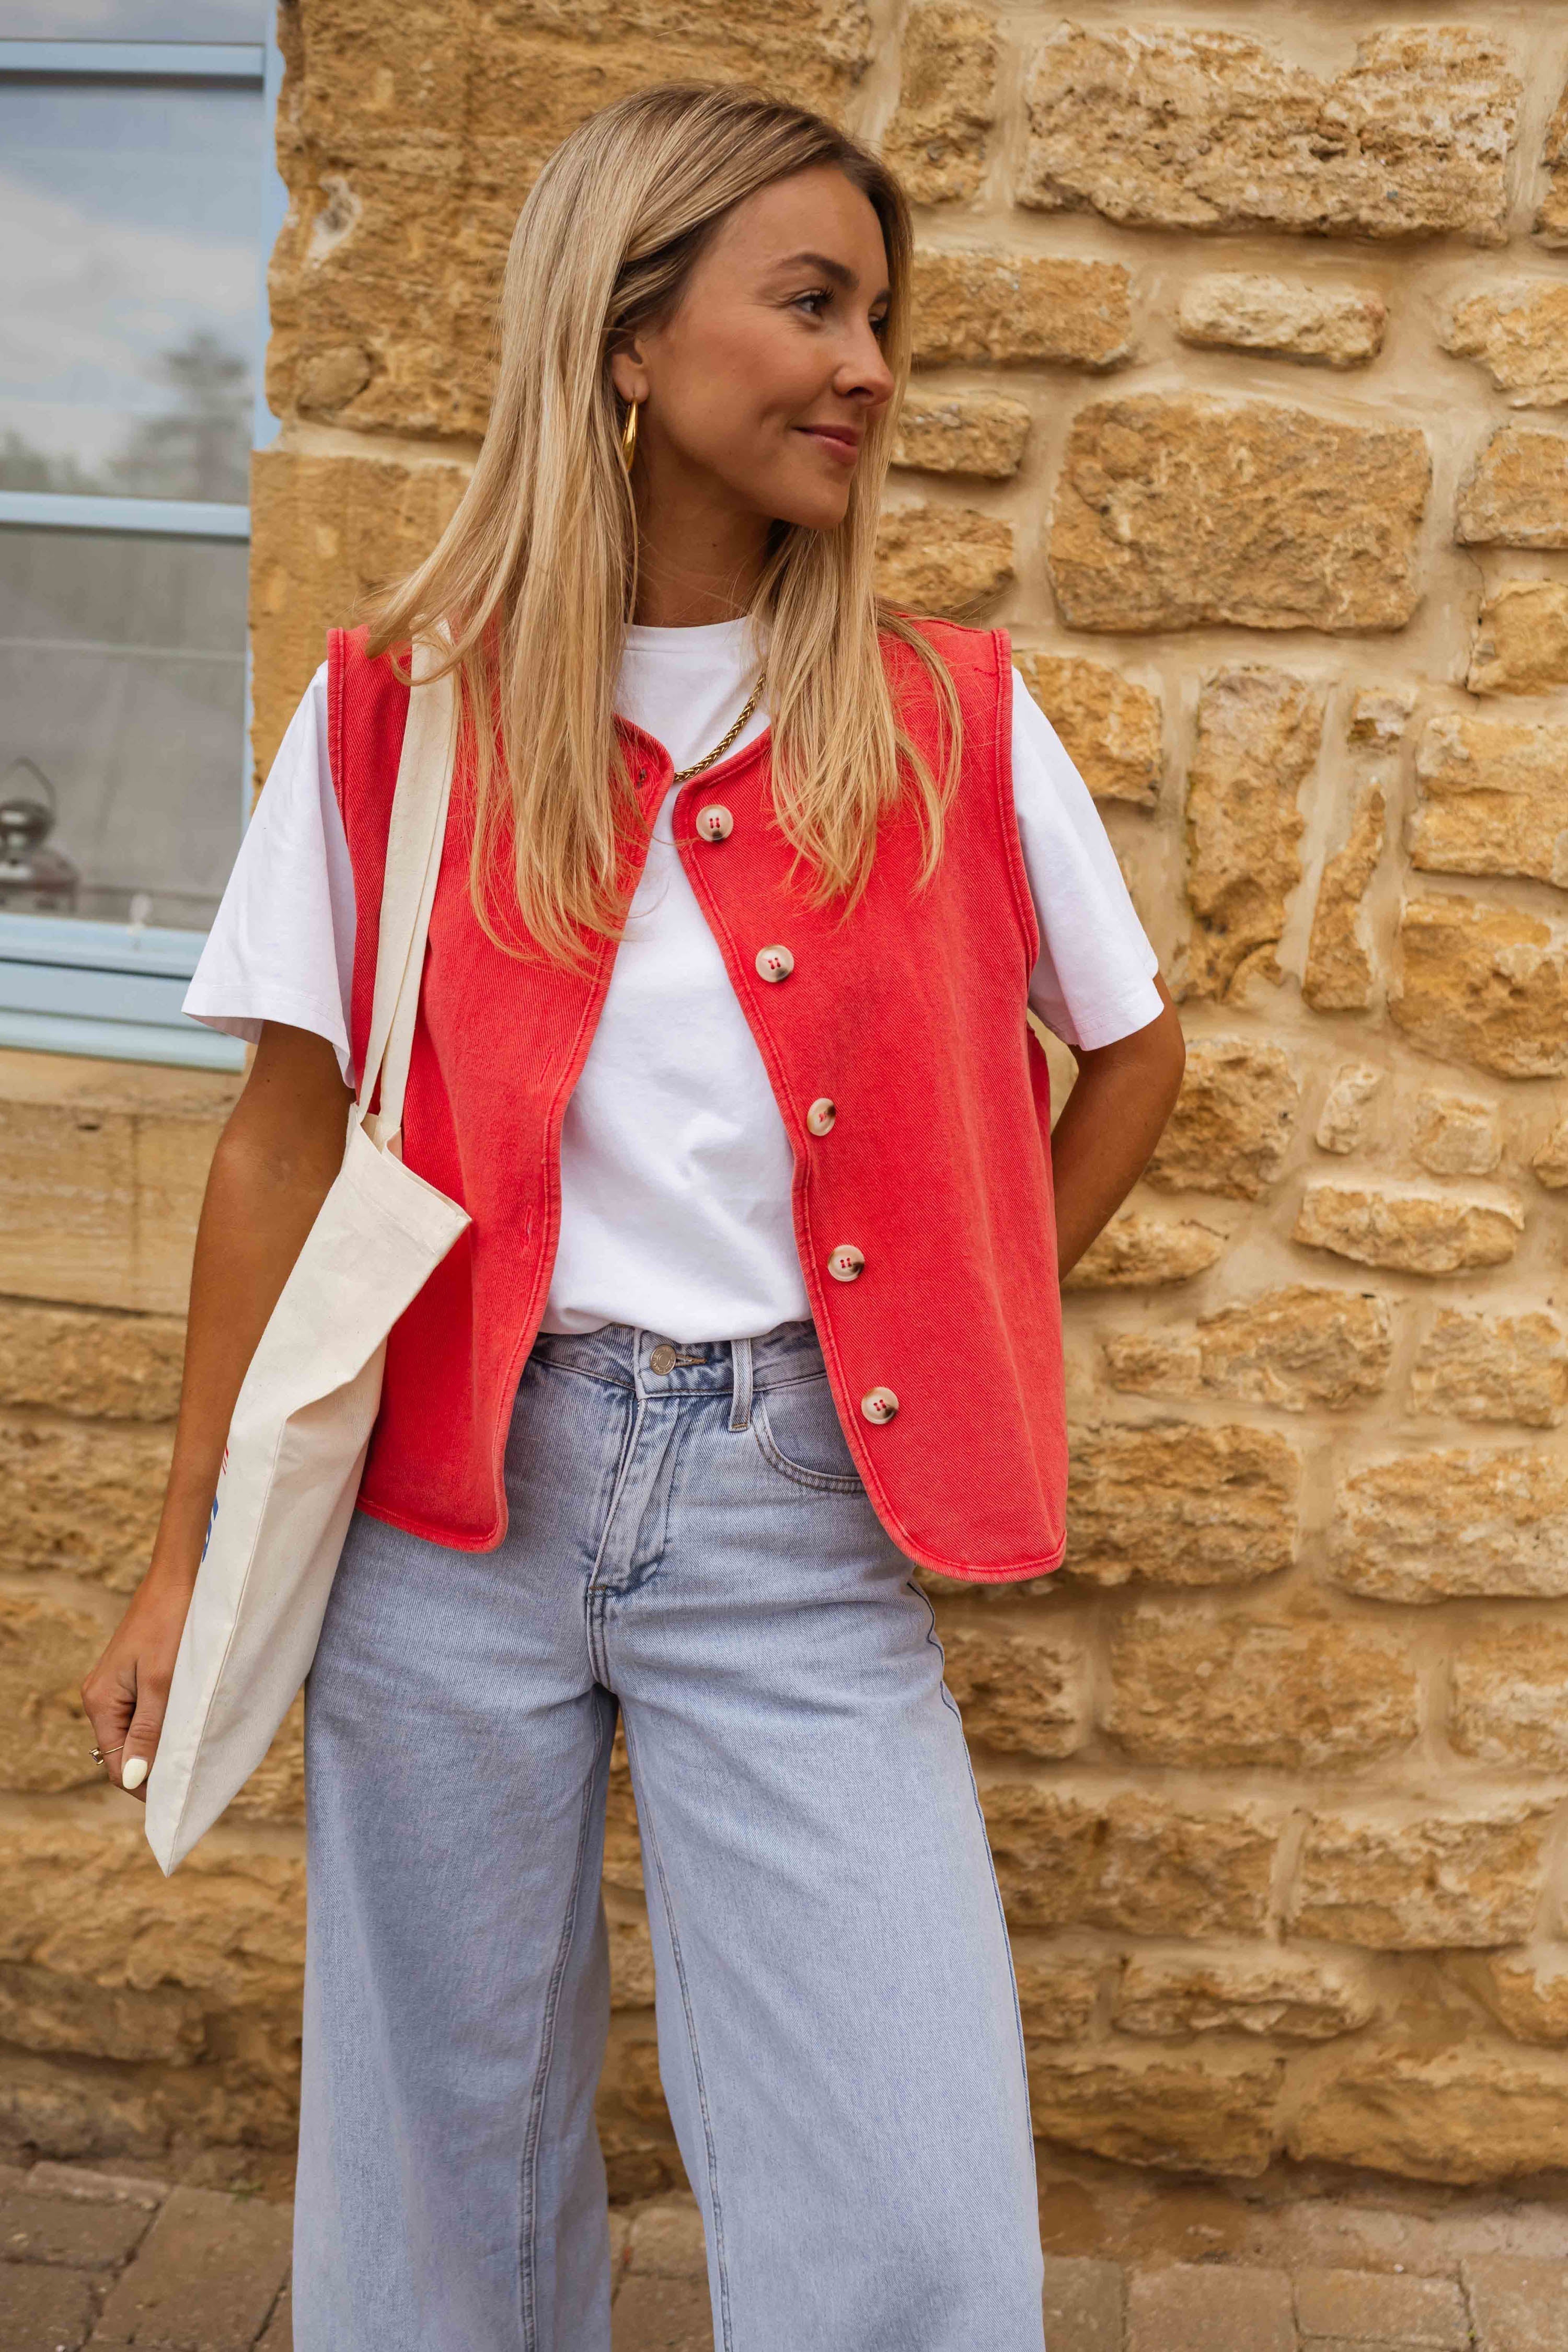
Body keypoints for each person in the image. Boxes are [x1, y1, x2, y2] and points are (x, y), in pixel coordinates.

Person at [83, 80, 1184, 2352]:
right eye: (811, 303)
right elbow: (280, 1137)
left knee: (908, 2207)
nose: (869, 364)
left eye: (882, 314)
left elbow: (1132, 1052)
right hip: (447, 1517)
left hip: (800, 1506)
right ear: (623, 333)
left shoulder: (948, 715)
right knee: (439, 2184)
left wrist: (969, 1323)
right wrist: (186, 1542)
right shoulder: (404, 708)